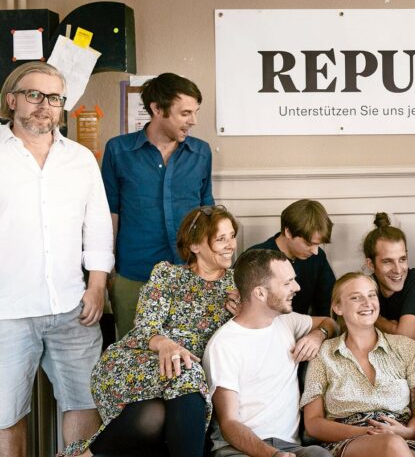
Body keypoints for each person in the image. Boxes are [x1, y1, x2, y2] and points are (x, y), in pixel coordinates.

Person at [0, 62, 113, 457]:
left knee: (85, 404)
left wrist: (96, 286)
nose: (44, 105)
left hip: (72, 307)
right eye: (34, 95)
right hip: (7, 311)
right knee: (6, 415)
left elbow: (97, 227)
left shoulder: (80, 159)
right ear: (12, 100)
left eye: (54, 98)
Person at [62, 205, 239, 457]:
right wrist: (165, 343)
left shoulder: (238, 285)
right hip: (138, 360)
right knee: (185, 370)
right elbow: (146, 325)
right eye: (221, 239)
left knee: (155, 414)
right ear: (195, 245)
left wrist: (244, 313)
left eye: (232, 236)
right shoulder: (167, 274)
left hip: (184, 377)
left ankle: (85, 455)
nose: (230, 245)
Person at [102, 72, 214, 337]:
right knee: (134, 349)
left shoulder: (201, 152)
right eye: (185, 113)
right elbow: (109, 213)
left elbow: (207, 210)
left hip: (189, 272)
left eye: (195, 112)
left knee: (189, 350)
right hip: (134, 273)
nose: (193, 121)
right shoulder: (118, 150)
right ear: (157, 109)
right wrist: (107, 269)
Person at [203, 248, 337, 457]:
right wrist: (272, 454)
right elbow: (229, 423)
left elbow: (331, 323)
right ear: (260, 293)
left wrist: (318, 335)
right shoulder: (224, 345)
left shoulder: (287, 321)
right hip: (240, 450)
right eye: (287, 283)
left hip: (291, 448)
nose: (297, 287)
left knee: (319, 455)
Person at [300, 273, 415, 457]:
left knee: (397, 446)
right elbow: (313, 422)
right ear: (338, 307)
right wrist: (370, 433)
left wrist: (408, 432)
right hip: (347, 441)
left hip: (404, 440)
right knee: (391, 444)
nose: (368, 303)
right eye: (356, 297)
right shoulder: (323, 353)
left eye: (371, 295)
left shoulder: (407, 347)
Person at [363, 212, 415, 350]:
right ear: (370, 264)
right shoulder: (364, 285)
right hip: (380, 356)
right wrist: (392, 327)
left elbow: (405, 341)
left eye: (402, 259)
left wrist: (374, 318)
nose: (398, 270)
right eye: (387, 261)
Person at [247, 199, 336, 316]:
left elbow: (328, 304)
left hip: (305, 325)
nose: (315, 251)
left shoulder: (318, 257)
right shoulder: (254, 258)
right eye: (309, 244)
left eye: (318, 244)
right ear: (288, 232)